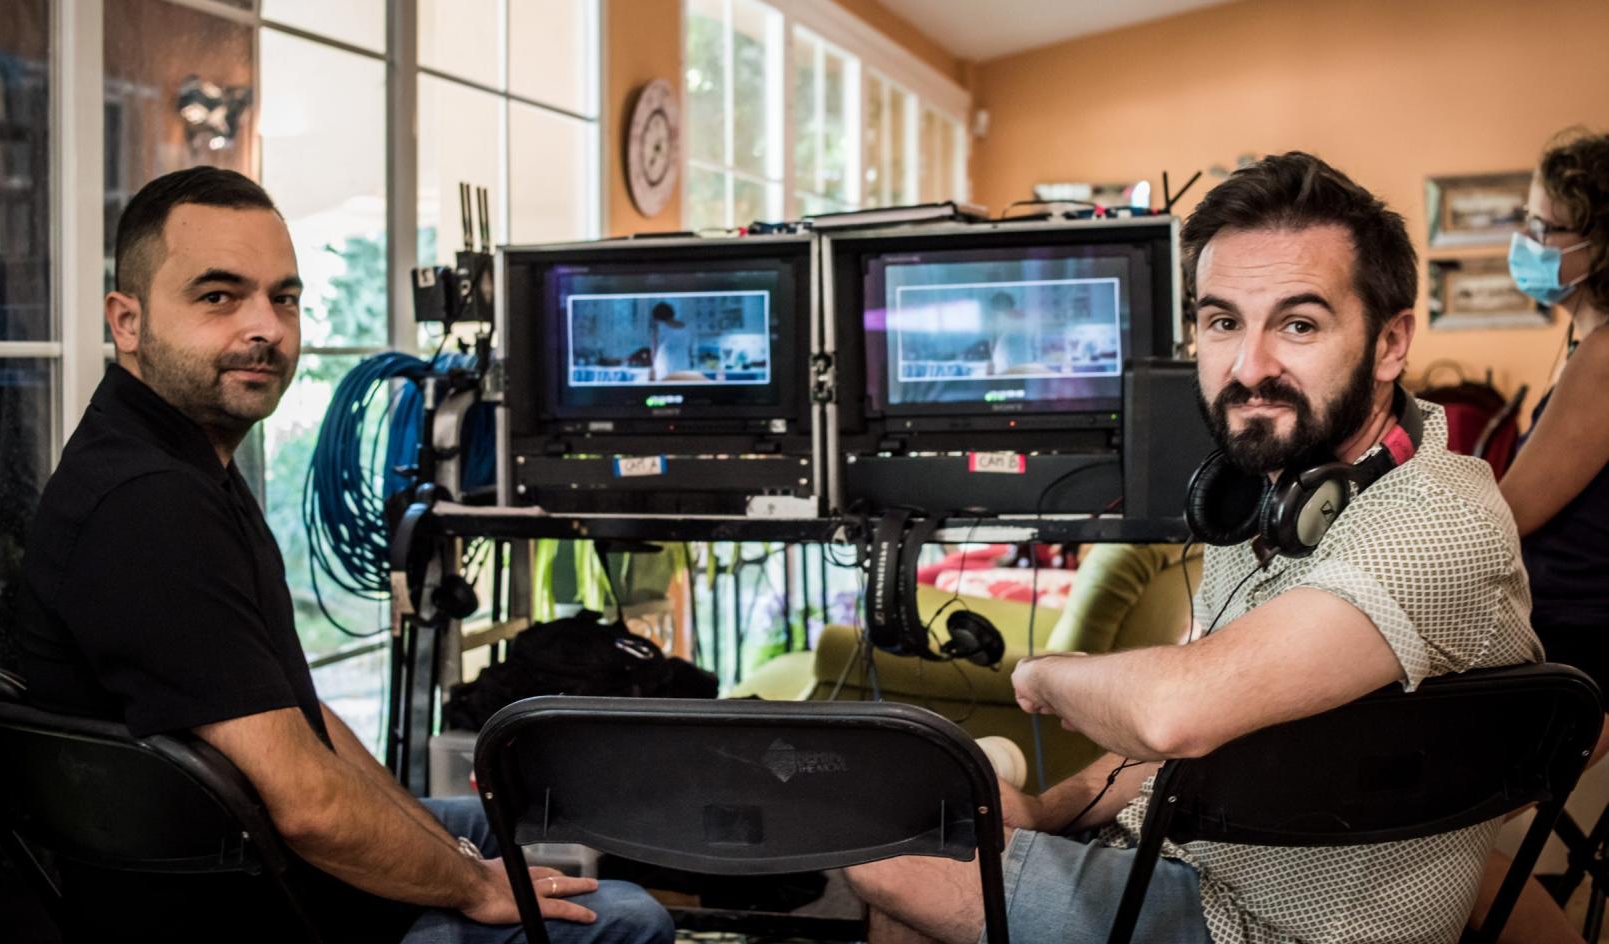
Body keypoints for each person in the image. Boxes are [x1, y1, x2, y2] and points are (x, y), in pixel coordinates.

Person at [845, 152, 1541, 944]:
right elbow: (1169, 748)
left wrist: (1043, 675)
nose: (1250, 368)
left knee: (886, 850)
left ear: (1390, 345)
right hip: (1184, 862)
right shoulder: (1272, 497)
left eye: (1299, 324)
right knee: (928, 820)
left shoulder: (1438, 522)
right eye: (1222, 323)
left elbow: (1177, 715)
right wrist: (1042, 812)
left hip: (1264, 926)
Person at [15, 166, 673, 944]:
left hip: (245, 851)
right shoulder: (146, 503)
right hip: (234, 905)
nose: (265, 327)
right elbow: (309, 807)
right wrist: (474, 886)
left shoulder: (185, 461)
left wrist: (453, 854)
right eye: (219, 297)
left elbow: (301, 721)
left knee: (497, 819)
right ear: (127, 321)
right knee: (628, 919)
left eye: (282, 297)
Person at [1468, 128, 1609, 944]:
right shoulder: (1583, 345)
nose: (1526, 243)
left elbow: (1510, 516)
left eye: (1542, 227)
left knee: (1433, 840)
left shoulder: (1606, 357)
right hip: (1550, 639)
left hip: (1575, 658)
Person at [648, 301, 701, 381]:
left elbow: (654, 350)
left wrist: (652, 369)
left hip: (664, 368)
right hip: (683, 365)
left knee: (665, 391)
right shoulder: (686, 328)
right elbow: (689, 350)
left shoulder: (659, 327)